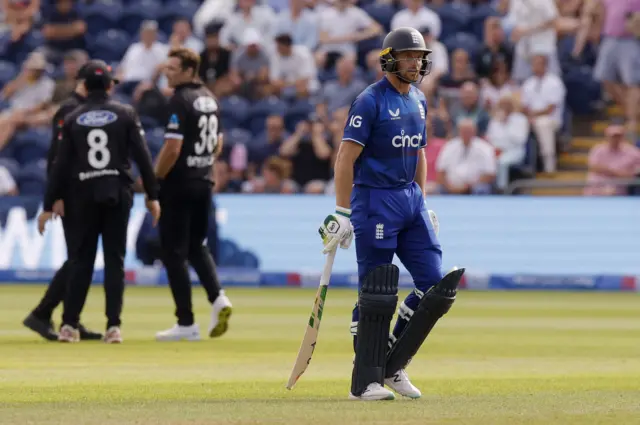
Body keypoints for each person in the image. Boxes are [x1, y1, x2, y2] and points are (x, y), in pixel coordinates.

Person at [318, 27, 465, 401]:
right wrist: (342, 210)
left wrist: (424, 202)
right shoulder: (369, 101)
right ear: (389, 59)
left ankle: (393, 365)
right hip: (375, 200)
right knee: (377, 292)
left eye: (419, 56)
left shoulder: (418, 99)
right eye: (408, 56)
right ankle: (365, 380)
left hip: (410, 200)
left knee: (434, 287)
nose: (416, 62)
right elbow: (345, 158)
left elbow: (419, 153)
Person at [38, 60, 161, 343]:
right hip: (117, 192)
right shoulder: (126, 113)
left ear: (84, 85)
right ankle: (113, 327)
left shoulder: (72, 117)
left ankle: (69, 325)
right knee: (115, 261)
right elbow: (143, 158)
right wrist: (153, 196)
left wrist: (48, 204)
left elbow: (59, 164)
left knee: (81, 259)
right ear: (109, 85)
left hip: (82, 194)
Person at [154, 47, 232, 342]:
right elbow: (218, 144)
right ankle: (218, 298)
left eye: (173, 68)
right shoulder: (210, 99)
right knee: (197, 246)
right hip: (203, 181)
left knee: (173, 252)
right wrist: (202, 166)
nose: (167, 72)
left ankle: (185, 322)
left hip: (178, 185)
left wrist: (154, 178)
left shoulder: (179, 100)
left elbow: (172, 148)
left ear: (189, 71)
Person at [23, 63, 103, 342]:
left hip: (84, 192)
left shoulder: (85, 108)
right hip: (71, 194)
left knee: (81, 258)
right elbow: (56, 157)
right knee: (79, 258)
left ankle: (70, 318)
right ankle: (44, 313)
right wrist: (55, 196)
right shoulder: (69, 109)